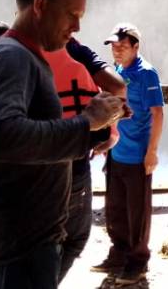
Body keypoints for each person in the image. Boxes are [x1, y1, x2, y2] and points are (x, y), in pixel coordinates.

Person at [0, 0, 127, 289]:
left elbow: (32, 132)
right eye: (72, 15)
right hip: (15, 246)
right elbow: (3, 137)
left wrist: (99, 123)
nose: (77, 27)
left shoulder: (25, 58)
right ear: (40, 5)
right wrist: (87, 122)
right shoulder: (9, 57)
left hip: (29, 240)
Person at [91, 23, 164, 285]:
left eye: (122, 46)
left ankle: (137, 262)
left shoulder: (147, 73)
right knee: (116, 209)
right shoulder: (118, 71)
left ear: (136, 46)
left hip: (137, 155)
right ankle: (119, 254)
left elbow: (158, 113)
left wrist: (152, 152)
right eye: (113, 46)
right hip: (117, 152)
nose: (116, 51)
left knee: (137, 212)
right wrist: (106, 141)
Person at [44, 45, 122, 281]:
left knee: (39, 242)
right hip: (74, 159)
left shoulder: (14, 52)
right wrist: (112, 133)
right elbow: (117, 86)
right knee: (72, 238)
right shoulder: (76, 53)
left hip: (32, 163)